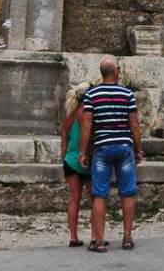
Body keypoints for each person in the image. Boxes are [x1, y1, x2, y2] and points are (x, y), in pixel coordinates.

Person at [79, 56, 144, 253]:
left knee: (99, 194)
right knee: (128, 192)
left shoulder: (91, 95)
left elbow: (87, 125)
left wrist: (83, 151)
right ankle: (127, 238)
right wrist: (138, 149)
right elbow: (134, 124)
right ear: (115, 72)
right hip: (124, 147)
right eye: (119, 69)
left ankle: (99, 241)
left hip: (102, 148)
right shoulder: (127, 94)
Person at [60, 82, 93, 248]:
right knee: (96, 198)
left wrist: (63, 162)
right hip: (85, 160)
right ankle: (96, 235)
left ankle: (73, 236)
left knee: (74, 199)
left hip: (69, 161)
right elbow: (87, 137)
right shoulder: (86, 114)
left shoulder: (69, 117)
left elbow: (63, 144)